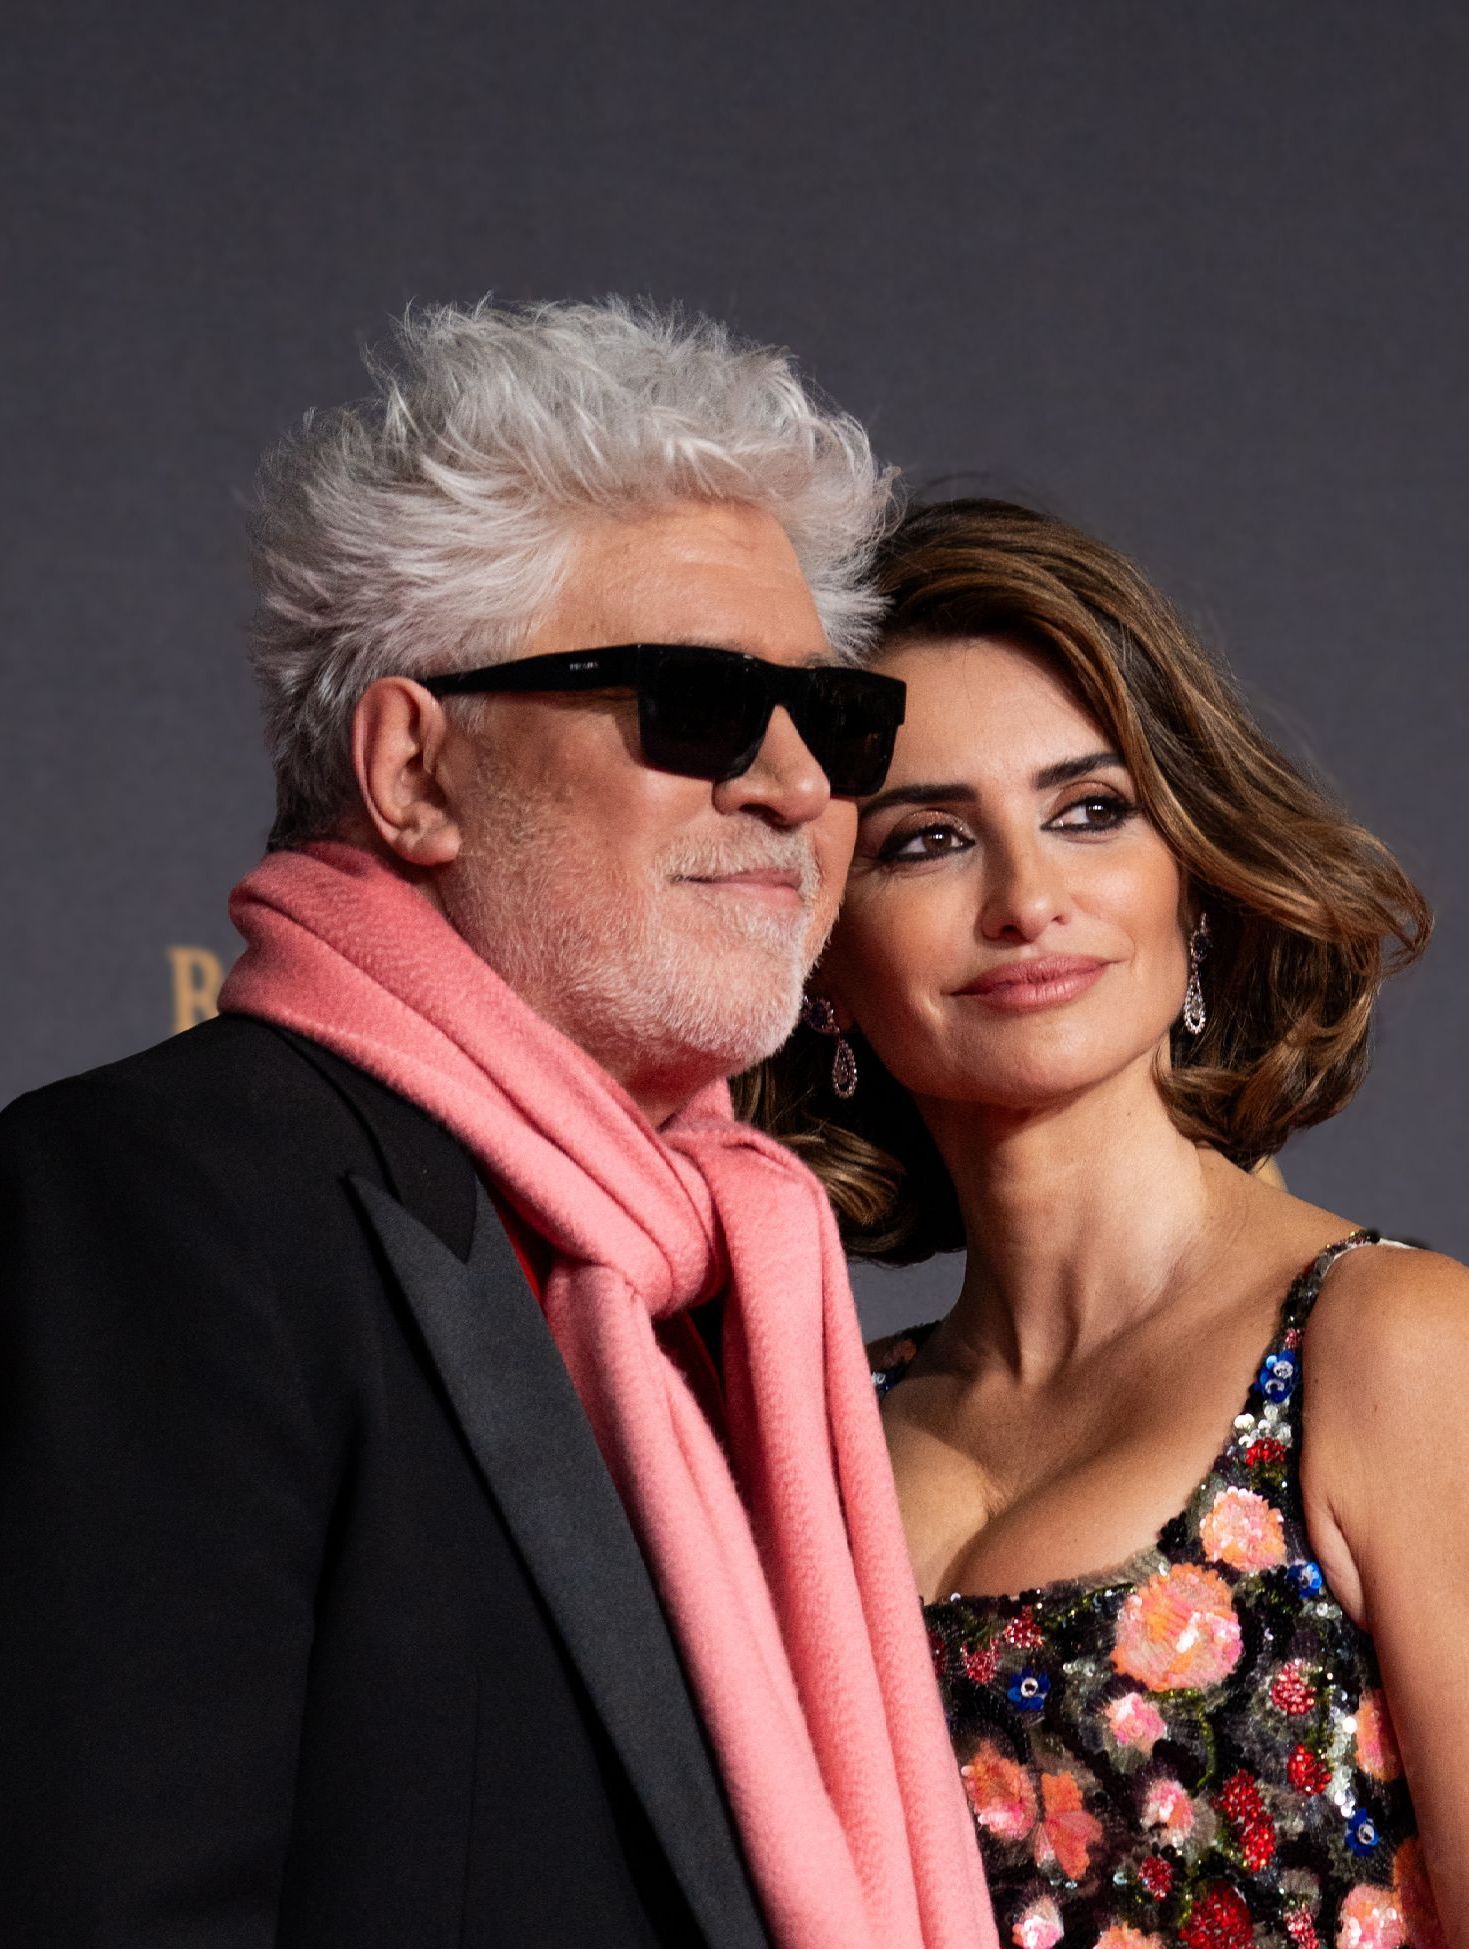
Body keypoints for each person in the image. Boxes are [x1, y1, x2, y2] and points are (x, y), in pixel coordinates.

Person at [0, 308, 996, 1949]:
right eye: (694, 703)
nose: (795, 785)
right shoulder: (163, 1201)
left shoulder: (743, 1286)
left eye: (830, 718)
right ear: (414, 770)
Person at [742, 498, 1463, 1945]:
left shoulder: (1392, 1348)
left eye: (1088, 812)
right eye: (927, 839)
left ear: (1188, 881)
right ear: (823, 954)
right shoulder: (810, 1428)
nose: (1028, 899)